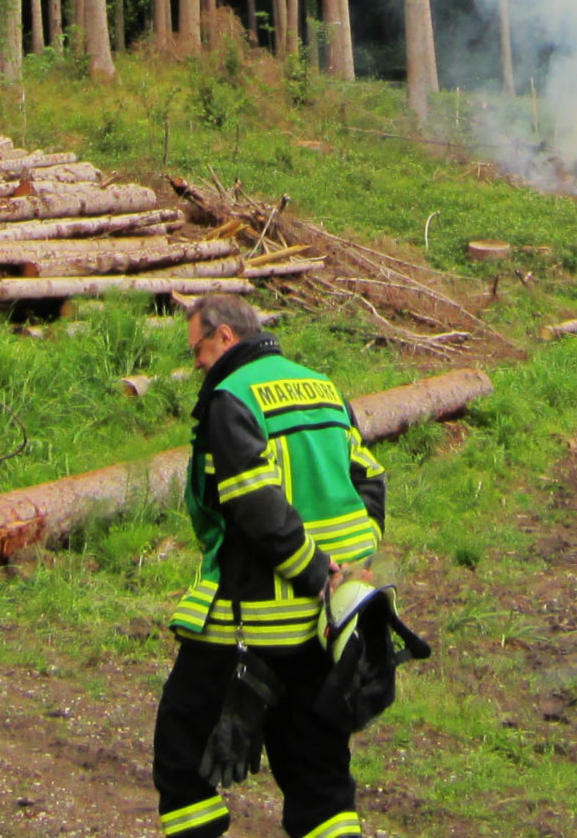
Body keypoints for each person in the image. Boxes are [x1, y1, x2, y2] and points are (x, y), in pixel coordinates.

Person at [153, 292, 387, 838]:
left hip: (251, 621)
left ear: (225, 337)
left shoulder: (232, 398)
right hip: (324, 625)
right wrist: (349, 567)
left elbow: (257, 507)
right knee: (317, 771)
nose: (196, 364)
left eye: (198, 349)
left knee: (181, 751)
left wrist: (313, 571)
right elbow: (369, 478)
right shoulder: (321, 387)